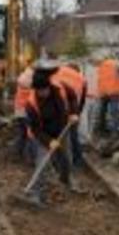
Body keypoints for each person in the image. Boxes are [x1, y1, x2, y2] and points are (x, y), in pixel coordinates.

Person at [22, 61, 81, 208]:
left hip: (63, 129)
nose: (43, 93)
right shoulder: (31, 104)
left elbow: (73, 97)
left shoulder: (60, 87)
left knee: (66, 158)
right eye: (40, 91)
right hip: (43, 136)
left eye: (45, 90)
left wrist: (74, 112)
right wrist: (49, 142)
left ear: (49, 85)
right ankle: (36, 194)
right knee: (42, 163)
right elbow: (35, 129)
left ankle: (66, 180)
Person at [51, 62, 87, 168]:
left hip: (57, 109)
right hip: (72, 109)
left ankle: (58, 162)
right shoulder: (82, 79)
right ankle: (77, 161)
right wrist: (77, 114)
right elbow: (82, 100)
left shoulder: (58, 71)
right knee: (73, 136)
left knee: (57, 136)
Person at [95, 53, 119, 136]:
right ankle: (114, 132)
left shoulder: (101, 67)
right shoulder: (116, 64)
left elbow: (100, 80)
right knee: (114, 113)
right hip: (114, 92)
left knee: (102, 112)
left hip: (104, 92)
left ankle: (102, 130)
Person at [12, 65, 34, 162]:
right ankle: (28, 157)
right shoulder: (33, 81)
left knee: (21, 133)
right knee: (30, 134)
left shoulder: (21, 79)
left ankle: (17, 153)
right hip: (28, 112)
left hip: (19, 110)